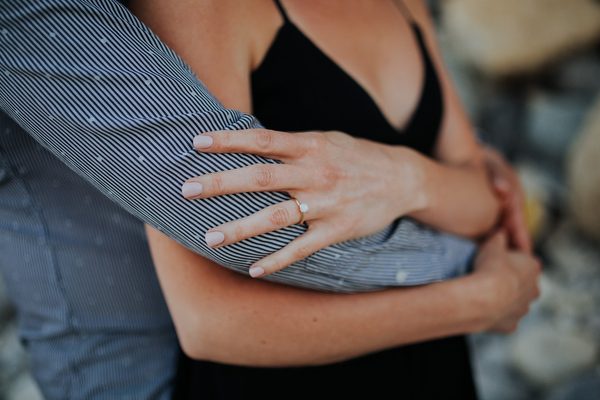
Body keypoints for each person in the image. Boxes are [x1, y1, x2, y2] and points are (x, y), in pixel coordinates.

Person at [0, 0, 539, 398]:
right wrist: (468, 304)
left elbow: (484, 203)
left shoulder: (405, 6)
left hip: (437, 371)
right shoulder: (196, 11)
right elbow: (210, 321)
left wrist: (404, 178)